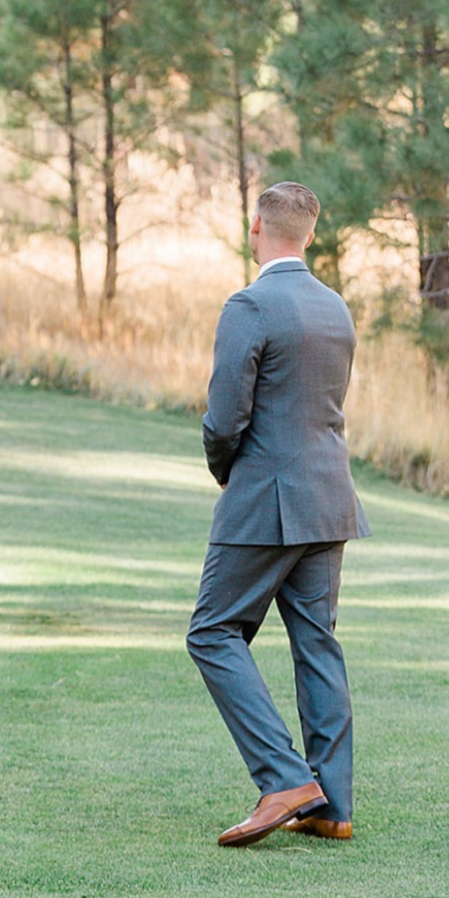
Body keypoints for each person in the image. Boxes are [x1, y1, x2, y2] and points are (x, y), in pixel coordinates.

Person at [186, 182, 369, 846]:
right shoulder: (336, 309)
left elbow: (225, 417)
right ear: (311, 234)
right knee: (317, 643)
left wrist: (224, 471)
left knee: (211, 633)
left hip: (265, 499)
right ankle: (331, 805)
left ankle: (286, 779)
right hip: (330, 498)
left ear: (255, 225)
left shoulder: (250, 304)